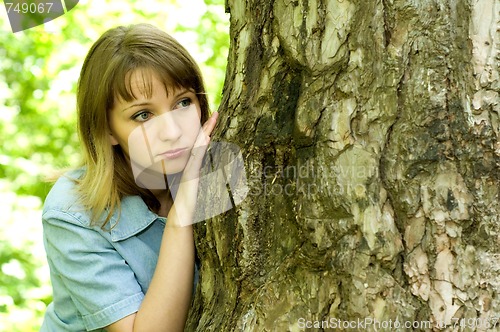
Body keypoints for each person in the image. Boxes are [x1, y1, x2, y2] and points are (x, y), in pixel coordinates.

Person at [40, 23, 218, 331]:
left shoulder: (226, 174)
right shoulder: (73, 211)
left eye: (183, 102)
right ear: (106, 129)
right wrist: (182, 215)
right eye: (143, 115)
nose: (173, 132)